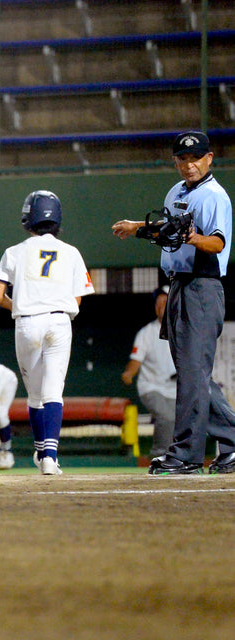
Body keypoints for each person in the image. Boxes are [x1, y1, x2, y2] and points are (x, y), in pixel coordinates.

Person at [113, 130, 235, 475]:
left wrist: (191, 236)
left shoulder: (214, 196)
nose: (188, 164)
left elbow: (218, 244)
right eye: (182, 159)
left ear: (209, 158)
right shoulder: (176, 191)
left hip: (203, 287)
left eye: (195, 158)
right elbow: (167, 230)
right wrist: (138, 226)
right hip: (178, 287)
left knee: (193, 377)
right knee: (194, 375)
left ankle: (186, 455)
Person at [0, 190, 95, 475]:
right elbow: (78, 298)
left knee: (35, 395)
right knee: (53, 392)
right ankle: (49, 456)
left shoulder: (14, 251)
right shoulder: (72, 252)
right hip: (60, 321)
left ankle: (41, 451)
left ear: (28, 217)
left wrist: (22, 305)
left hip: (27, 322)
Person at [121, 285, 177, 460]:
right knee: (167, 418)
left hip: (177, 388)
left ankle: (179, 459)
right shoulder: (146, 333)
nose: (161, 306)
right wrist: (129, 373)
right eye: (158, 303)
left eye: (165, 302)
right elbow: (136, 359)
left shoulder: (183, 328)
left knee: (183, 421)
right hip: (152, 387)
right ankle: (159, 456)